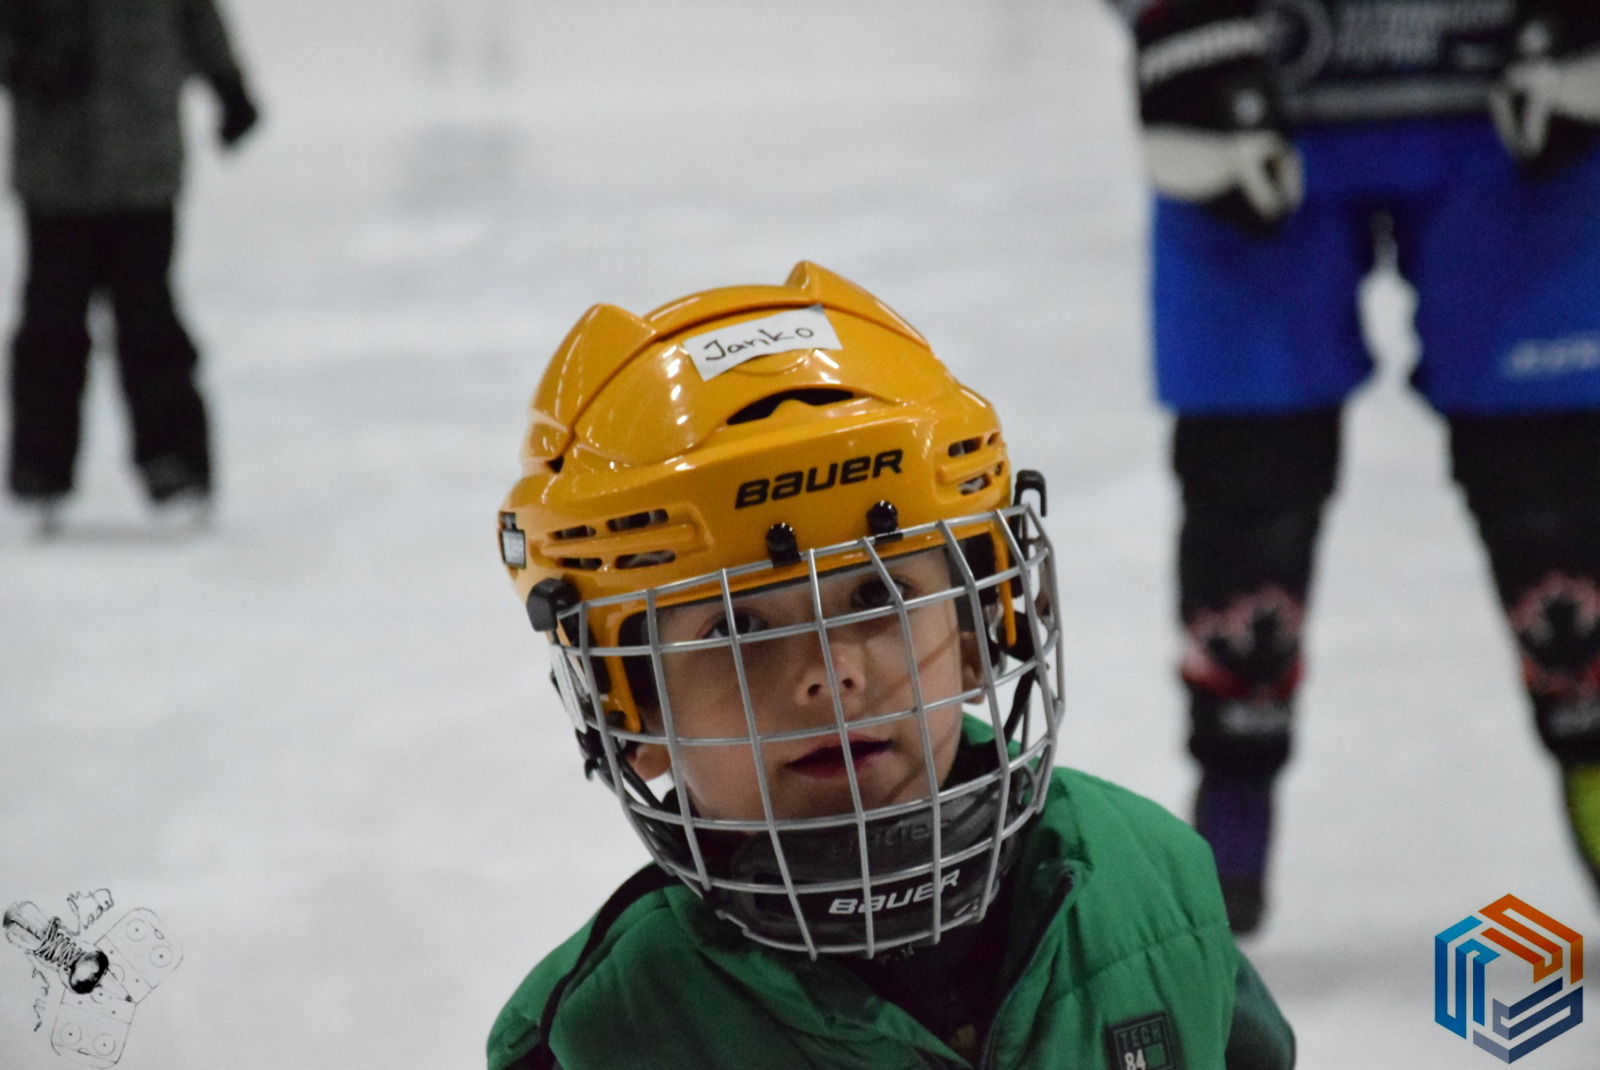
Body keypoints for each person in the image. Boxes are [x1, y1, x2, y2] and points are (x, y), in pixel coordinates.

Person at [486, 263, 1295, 1069]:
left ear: (979, 627)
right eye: (737, 625)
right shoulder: (602, 1037)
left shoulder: (1155, 888)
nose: (829, 674)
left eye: (878, 594)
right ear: (629, 702)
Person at [1111, 0, 1600, 932]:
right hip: (1250, 76)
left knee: (1559, 488)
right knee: (1247, 480)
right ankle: (1233, 791)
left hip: (1510, 88)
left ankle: (1596, 761)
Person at [0, 0, 261, 530]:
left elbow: (196, 15)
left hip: (143, 167)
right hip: (56, 170)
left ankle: (175, 467)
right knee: (52, 324)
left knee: (149, 321)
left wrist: (229, 88)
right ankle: (40, 472)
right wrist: (25, 60)